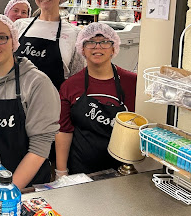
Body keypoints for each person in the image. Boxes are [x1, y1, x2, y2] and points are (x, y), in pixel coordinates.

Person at [0, 14, 60, 187]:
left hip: (25, 188)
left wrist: (4, 193)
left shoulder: (37, 84)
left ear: (13, 41)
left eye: (1, 37)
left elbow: (39, 148)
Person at [55, 23, 137, 178]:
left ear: (114, 48)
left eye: (105, 42)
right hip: (81, 170)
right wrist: (61, 172)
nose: (97, 47)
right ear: (82, 49)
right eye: (90, 42)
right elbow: (64, 131)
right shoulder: (70, 86)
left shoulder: (132, 82)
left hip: (122, 171)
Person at [14, 0, 85, 90]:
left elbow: (76, 77)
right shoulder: (19, 26)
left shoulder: (75, 33)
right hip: (17, 100)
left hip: (53, 102)